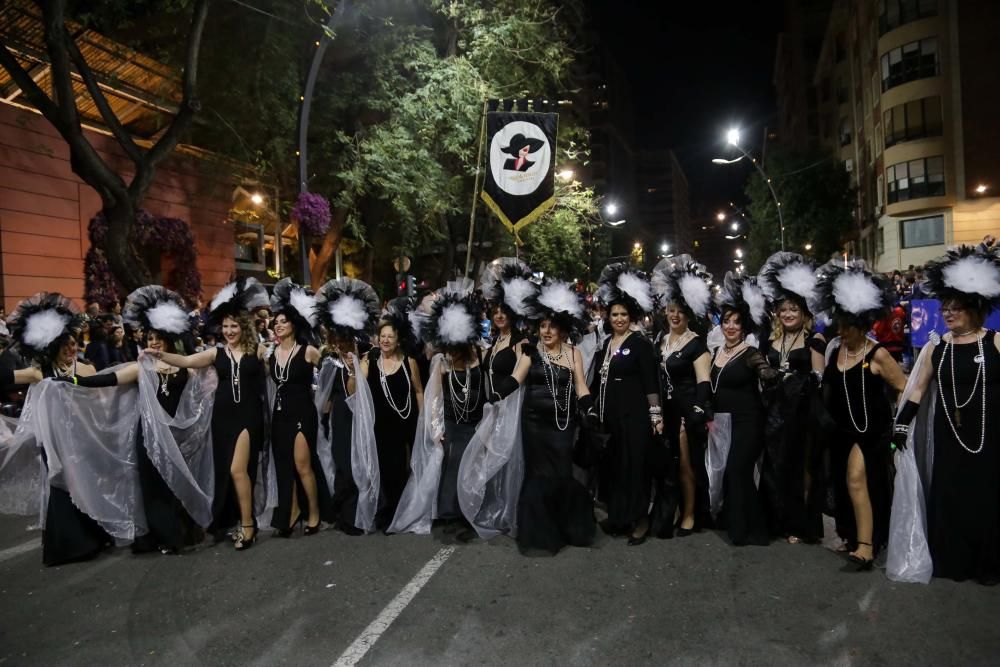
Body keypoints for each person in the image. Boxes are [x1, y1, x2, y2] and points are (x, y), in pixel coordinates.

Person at [889, 245, 1000, 584]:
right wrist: (901, 425)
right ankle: (953, 561)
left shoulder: (995, 341)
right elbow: (918, 388)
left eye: (956, 308)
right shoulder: (937, 346)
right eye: (945, 308)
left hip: (990, 431)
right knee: (951, 494)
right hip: (949, 432)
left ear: (975, 308)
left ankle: (989, 564)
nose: (948, 314)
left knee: (988, 495)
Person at [145, 278, 270, 551]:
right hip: (222, 419)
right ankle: (241, 520)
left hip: (249, 417)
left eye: (234, 325)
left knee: (240, 469)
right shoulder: (215, 353)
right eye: (225, 326)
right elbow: (187, 361)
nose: (229, 331)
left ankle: (247, 525)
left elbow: (273, 376)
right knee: (231, 472)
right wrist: (160, 354)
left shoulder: (258, 351)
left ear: (244, 326)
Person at [491, 279, 596, 554]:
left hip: (563, 424)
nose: (547, 331)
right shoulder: (530, 352)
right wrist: (495, 394)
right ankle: (540, 533)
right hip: (534, 424)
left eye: (552, 326)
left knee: (561, 474)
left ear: (562, 328)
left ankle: (564, 526)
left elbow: (581, 386)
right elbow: (515, 379)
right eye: (542, 326)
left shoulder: (573, 354)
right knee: (538, 476)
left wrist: (590, 407)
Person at [816, 261, 907, 571]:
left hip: (871, 433)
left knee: (856, 480)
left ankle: (866, 547)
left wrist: (900, 425)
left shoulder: (877, 353)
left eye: (848, 326)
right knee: (843, 485)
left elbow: (904, 389)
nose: (841, 331)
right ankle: (852, 535)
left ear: (864, 322)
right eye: (839, 324)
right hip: (840, 431)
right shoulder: (835, 350)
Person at [389, 281, 484, 535]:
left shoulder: (480, 357)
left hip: (475, 422)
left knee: (471, 464)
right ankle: (449, 510)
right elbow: (433, 398)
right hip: (452, 422)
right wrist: (435, 427)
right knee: (451, 463)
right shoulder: (442, 363)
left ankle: (470, 509)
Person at [457, 258, 537, 540]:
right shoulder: (494, 342)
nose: (499, 314)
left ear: (514, 312)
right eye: (496, 310)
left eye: (505, 310)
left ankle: (511, 513)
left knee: (510, 459)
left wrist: (501, 396)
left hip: (511, 408)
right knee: (491, 459)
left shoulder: (520, 342)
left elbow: (520, 374)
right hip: (492, 408)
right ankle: (496, 509)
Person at [756, 252, 828, 544]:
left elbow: (819, 379)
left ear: (804, 313)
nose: (787, 314)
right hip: (773, 410)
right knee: (774, 464)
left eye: (794, 310)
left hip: (801, 412)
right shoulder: (771, 340)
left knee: (799, 466)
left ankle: (799, 523)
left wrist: (803, 386)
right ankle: (775, 520)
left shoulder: (815, 340)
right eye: (783, 310)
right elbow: (762, 366)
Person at [592, 263, 661, 546]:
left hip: (635, 418)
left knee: (636, 468)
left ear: (631, 316)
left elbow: (650, 383)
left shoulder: (640, 343)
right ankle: (619, 517)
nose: (618, 318)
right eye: (614, 314)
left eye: (623, 314)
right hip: (612, 419)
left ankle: (641, 520)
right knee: (616, 468)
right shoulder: (606, 342)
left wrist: (655, 415)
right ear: (607, 316)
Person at [710, 273, 780, 546]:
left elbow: (763, 369)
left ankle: (747, 531)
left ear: (744, 326)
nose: (730, 326)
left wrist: (770, 374)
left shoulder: (750, 352)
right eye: (726, 321)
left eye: (737, 322)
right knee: (731, 471)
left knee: (737, 470)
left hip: (748, 422)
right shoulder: (716, 352)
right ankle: (746, 525)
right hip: (721, 423)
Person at [650, 255, 714, 537]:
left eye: (680, 311)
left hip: (687, 414)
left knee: (687, 465)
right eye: (671, 310)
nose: (674, 315)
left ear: (689, 315)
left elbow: (703, 383)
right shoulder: (660, 340)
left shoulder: (696, 345)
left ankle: (689, 514)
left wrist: (696, 413)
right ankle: (671, 509)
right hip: (665, 411)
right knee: (667, 465)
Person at [314, 277, 381, 535]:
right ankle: (344, 511)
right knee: (342, 460)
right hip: (340, 416)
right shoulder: (329, 358)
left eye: (345, 336)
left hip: (360, 413)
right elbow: (327, 397)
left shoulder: (364, 353)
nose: (340, 341)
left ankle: (358, 513)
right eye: (337, 337)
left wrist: (354, 364)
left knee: (360, 462)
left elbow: (356, 390)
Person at [266, 278, 332, 537]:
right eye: (276, 322)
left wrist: (327, 400)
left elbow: (329, 371)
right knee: (285, 466)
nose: (279, 325)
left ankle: (314, 512)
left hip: (303, 413)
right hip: (279, 415)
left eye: (284, 321)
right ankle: (292, 511)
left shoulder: (308, 351)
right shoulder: (269, 354)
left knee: (303, 464)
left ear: (294, 324)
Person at [357, 299, 424, 531]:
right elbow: (354, 389)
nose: (385, 340)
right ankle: (389, 512)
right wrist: (352, 369)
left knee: (406, 467)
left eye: (390, 337)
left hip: (407, 422)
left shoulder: (409, 361)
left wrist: (424, 421)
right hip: (381, 425)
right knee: (387, 469)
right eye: (382, 336)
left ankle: (404, 511)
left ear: (398, 340)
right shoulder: (370, 359)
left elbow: (418, 391)